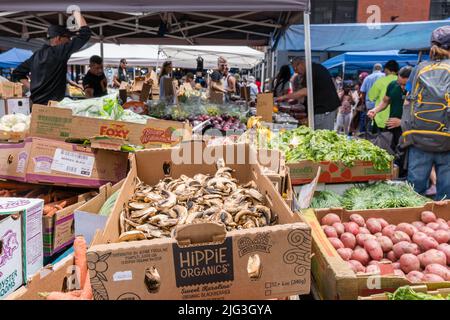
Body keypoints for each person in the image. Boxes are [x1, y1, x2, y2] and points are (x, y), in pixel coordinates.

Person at [401, 26, 450, 200]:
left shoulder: (419, 68)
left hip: (419, 137)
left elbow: (408, 101)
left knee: (414, 192)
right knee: (447, 195)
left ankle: (411, 222)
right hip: (447, 138)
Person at [12, 12, 90, 105]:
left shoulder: (36, 55)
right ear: (58, 38)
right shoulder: (60, 51)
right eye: (68, 37)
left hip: (36, 105)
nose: (69, 40)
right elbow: (85, 34)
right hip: (52, 106)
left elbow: (17, 73)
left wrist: (31, 87)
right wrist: (76, 12)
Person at [276, 57, 341, 130]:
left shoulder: (311, 71)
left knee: (320, 134)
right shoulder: (313, 69)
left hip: (324, 110)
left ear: (300, 64)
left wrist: (283, 97)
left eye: (295, 69)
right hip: (323, 109)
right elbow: (308, 93)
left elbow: (305, 92)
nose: (296, 72)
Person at [368, 66, 413, 167]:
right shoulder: (392, 85)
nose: (402, 87)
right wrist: (375, 110)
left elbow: (420, 112)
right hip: (392, 128)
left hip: (408, 129)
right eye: (399, 83)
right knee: (390, 154)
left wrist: (401, 122)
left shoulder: (418, 90)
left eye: (405, 85)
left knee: (405, 157)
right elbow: (385, 101)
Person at [368, 60, 400, 133]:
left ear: (386, 69)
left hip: (380, 117)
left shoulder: (381, 81)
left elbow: (371, 96)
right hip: (396, 119)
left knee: (378, 142)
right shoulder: (401, 81)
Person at [360, 64, 385, 132]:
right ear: (381, 69)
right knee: (380, 123)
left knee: (369, 121)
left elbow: (363, 92)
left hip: (369, 104)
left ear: (373, 69)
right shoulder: (385, 76)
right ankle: (378, 137)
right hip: (382, 105)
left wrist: (364, 103)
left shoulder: (367, 78)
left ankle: (369, 137)